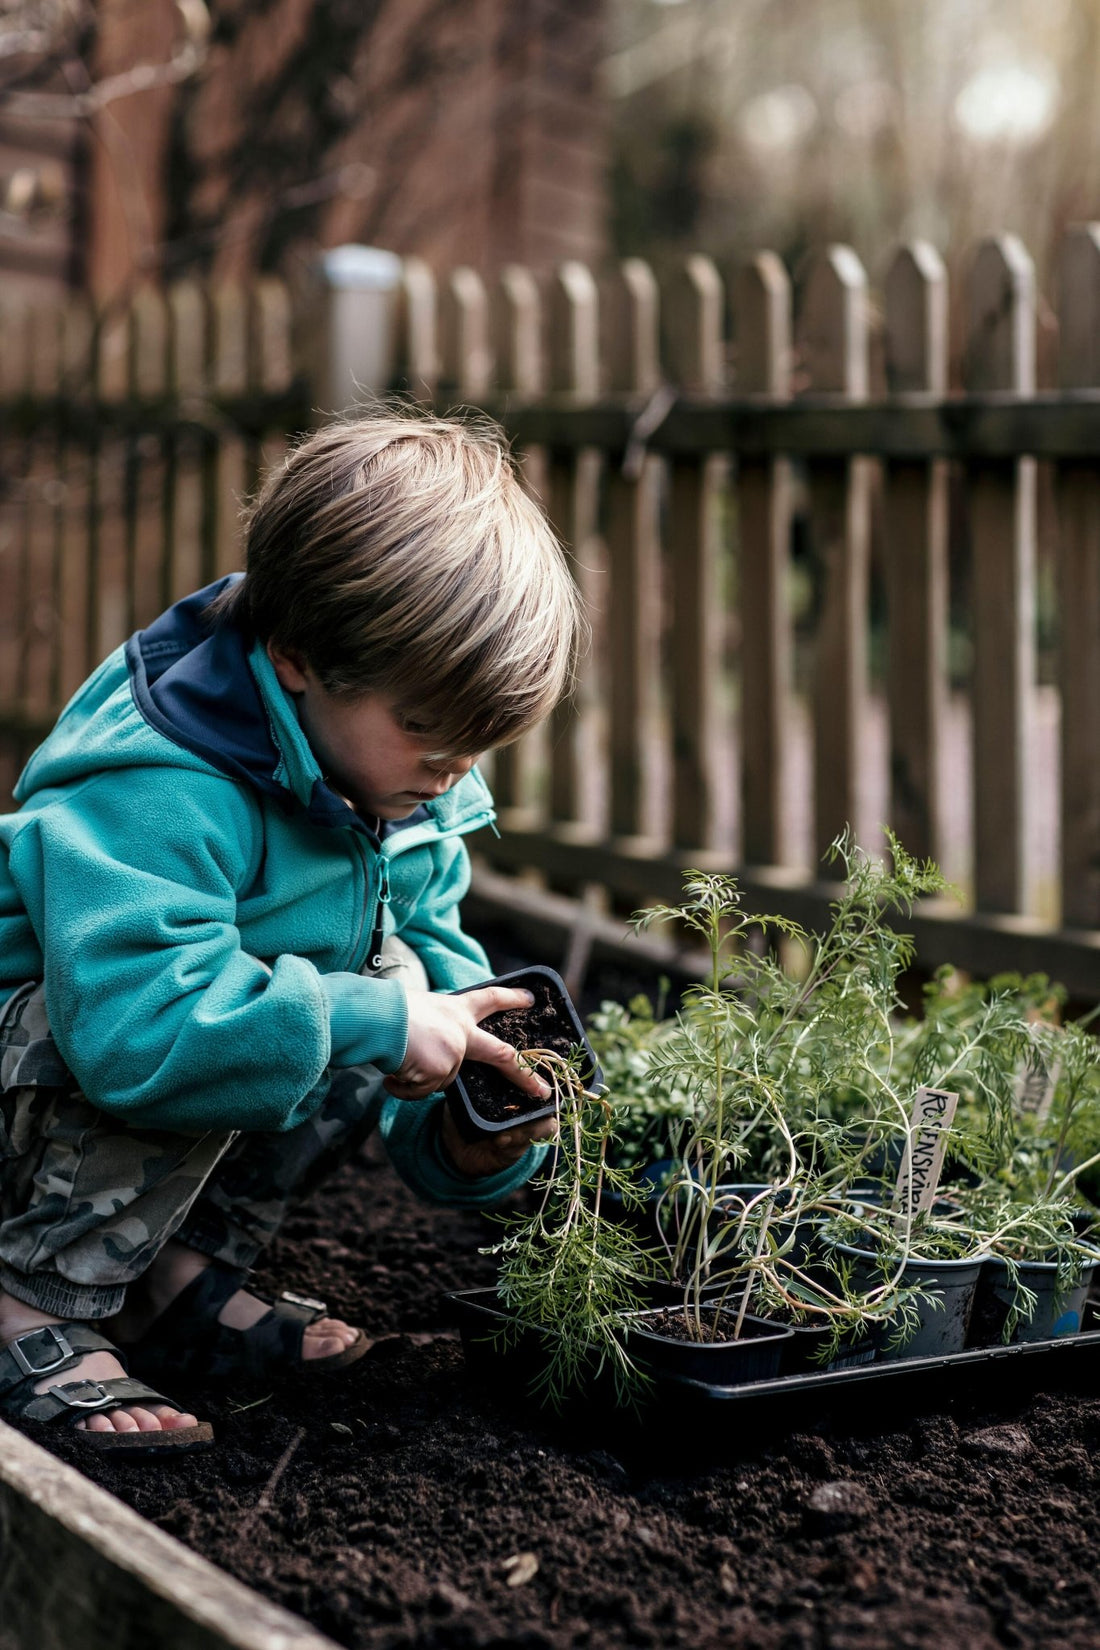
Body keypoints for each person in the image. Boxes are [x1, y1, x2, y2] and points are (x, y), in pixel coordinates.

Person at [0, 410, 582, 1454]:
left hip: (139, 1054)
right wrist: (375, 1018)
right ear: (299, 657)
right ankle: (32, 1297)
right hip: (54, 1055)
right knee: (333, 1007)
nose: (451, 774)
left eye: (475, 747)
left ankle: (161, 1273)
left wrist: (468, 1127)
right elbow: (136, 1029)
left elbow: (434, 992)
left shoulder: (400, 785)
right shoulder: (161, 784)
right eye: (426, 732)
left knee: (386, 991)